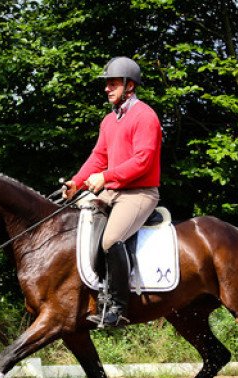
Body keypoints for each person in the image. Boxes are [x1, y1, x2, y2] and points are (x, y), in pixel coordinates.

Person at [63, 56, 162, 327]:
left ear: (130, 86)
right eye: (107, 84)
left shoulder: (145, 116)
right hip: (113, 191)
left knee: (110, 240)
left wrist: (105, 177)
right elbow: (98, 157)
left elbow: (142, 161)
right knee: (77, 226)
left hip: (139, 194)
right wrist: (76, 183)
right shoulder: (109, 121)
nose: (107, 89)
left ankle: (118, 306)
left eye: (113, 84)